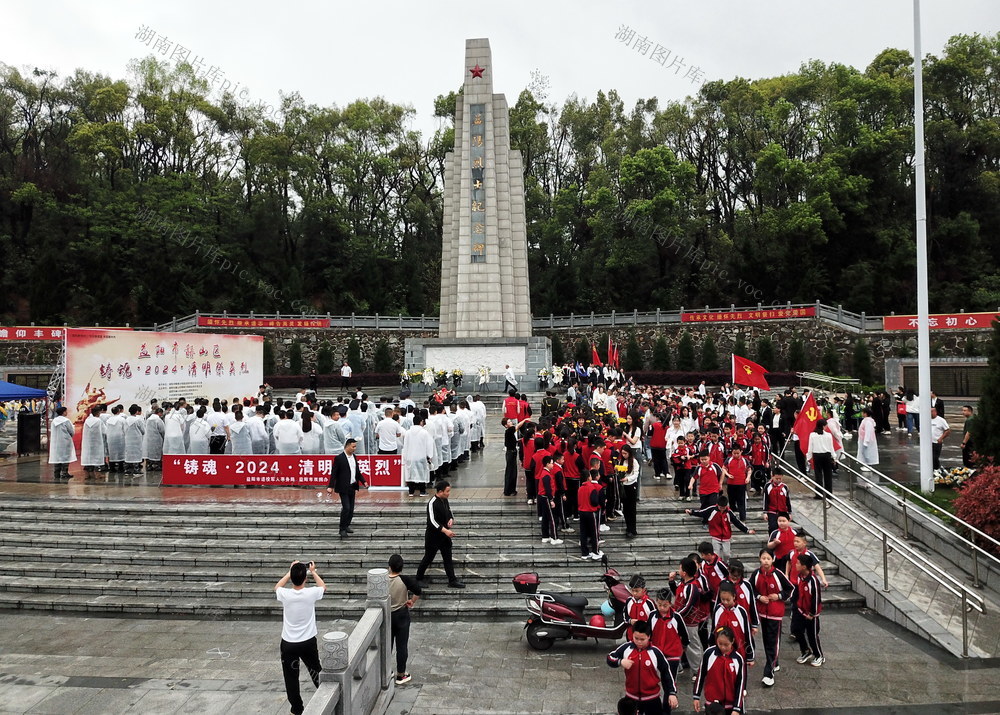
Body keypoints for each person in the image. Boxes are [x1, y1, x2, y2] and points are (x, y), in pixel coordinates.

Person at [275, 560, 326, 715]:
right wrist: (313, 571)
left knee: (291, 677)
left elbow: (277, 587)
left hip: (289, 643)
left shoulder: (285, 594)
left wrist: (289, 572)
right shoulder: (311, 593)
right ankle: (326, 695)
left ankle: (297, 709)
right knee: (315, 670)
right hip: (308, 641)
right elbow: (323, 587)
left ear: (292, 577)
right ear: (305, 578)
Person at [607, 619, 679, 715]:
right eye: (636, 638)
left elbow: (666, 673)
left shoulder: (655, 652)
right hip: (631, 698)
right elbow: (610, 658)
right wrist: (620, 662)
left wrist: (672, 693)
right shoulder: (626, 648)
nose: (639, 642)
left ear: (649, 637)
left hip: (652, 699)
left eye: (642, 639)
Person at [751, 548, 794, 687]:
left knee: (773, 641)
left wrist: (779, 596)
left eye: (768, 559)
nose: (765, 561)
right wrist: (759, 597)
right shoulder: (756, 574)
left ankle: (768, 673)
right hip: (762, 612)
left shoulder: (778, 574)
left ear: (773, 560)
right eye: (763, 558)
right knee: (767, 640)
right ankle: (775, 662)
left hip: (775, 613)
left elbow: (790, 589)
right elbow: (751, 589)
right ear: (759, 559)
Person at [415, 480, 465, 588]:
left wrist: (451, 519)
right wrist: (445, 530)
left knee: (447, 557)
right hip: (433, 537)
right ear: (440, 491)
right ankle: (418, 578)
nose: (449, 493)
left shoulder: (445, 500)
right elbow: (432, 521)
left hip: (444, 537)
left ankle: (452, 580)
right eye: (447, 491)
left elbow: (449, 511)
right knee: (428, 557)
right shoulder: (432, 503)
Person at [684, 496, 754, 564]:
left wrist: (747, 530)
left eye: (724, 508)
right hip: (715, 535)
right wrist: (691, 512)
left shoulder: (729, 512)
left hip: (726, 536)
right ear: (718, 505)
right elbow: (701, 512)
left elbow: (737, 522)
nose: (722, 509)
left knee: (726, 554)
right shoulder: (712, 510)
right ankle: (716, 565)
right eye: (720, 507)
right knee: (716, 554)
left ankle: (725, 564)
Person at [692, 626, 747, 714]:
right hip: (713, 705)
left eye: (726, 644)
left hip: (731, 705)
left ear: (732, 641)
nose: (723, 647)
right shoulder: (709, 654)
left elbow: (740, 684)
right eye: (720, 644)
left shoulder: (738, 659)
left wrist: (737, 708)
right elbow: (700, 676)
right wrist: (696, 696)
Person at [387, 554, 422, 686]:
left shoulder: (382, 580)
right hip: (401, 614)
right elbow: (418, 590)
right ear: (401, 567)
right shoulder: (404, 579)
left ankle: (386, 671)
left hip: (387, 615)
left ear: (389, 567)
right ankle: (401, 674)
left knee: (387, 645)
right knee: (401, 646)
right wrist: (412, 601)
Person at [326, 439, 368, 537]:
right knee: (346, 508)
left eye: (355, 446)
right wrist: (330, 486)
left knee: (351, 509)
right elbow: (334, 473)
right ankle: (342, 529)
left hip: (352, 486)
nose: (354, 448)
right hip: (343, 487)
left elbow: (357, 472)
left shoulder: (354, 457)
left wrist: (364, 481)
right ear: (347, 446)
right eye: (353, 446)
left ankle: (347, 525)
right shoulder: (339, 458)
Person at [791, 552, 824, 667]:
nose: (795, 565)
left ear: (804, 566)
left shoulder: (813, 581)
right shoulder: (800, 576)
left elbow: (816, 598)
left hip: (811, 614)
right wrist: (795, 603)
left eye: (798, 563)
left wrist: (812, 613)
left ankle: (819, 655)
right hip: (800, 610)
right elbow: (797, 591)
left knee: (812, 635)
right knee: (796, 630)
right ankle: (805, 651)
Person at [402, 410, 435, 497]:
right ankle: (422, 491)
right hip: (421, 456)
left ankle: (411, 491)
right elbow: (429, 444)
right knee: (422, 473)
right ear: (421, 422)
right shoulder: (424, 432)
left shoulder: (408, 433)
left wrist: (405, 456)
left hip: (410, 456)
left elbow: (405, 445)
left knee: (411, 474)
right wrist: (429, 455)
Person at [805, 419, 835, 498]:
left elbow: (810, 448)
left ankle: (819, 494)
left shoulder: (812, 435)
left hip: (817, 456)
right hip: (827, 455)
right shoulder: (828, 435)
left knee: (818, 475)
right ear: (823, 426)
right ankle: (829, 494)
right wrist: (834, 457)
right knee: (828, 475)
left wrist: (808, 457)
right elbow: (831, 447)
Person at [49, 406, 76, 480]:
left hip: (56, 442)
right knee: (65, 457)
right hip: (65, 441)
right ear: (63, 412)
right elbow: (71, 431)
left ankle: (56, 473)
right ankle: (64, 472)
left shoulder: (54, 421)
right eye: (66, 411)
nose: (67, 412)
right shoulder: (66, 421)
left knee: (57, 457)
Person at [80, 406, 106, 480]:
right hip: (96, 442)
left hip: (87, 442)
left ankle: (87, 474)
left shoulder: (87, 420)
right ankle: (98, 474)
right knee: (97, 458)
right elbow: (104, 431)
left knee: (88, 457)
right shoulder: (99, 421)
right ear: (98, 413)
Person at [856, 407, 879, 471]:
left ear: (865, 413)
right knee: (864, 453)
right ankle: (865, 464)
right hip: (863, 439)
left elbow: (868, 432)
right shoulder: (866, 420)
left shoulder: (868, 422)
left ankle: (868, 465)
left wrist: (866, 441)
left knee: (868, 453)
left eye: (863, 412)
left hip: (867, 440)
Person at [929, 406, 951, 476]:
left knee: (935, 457)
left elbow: (947, 430)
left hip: (936, 442)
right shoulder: (927, 419)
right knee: (929, 457)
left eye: (932, 411)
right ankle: (932, 470)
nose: (930, 413)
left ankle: (937, 469)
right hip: (928, 443)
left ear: (935, 412)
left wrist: (941, 438)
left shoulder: (941, 420)